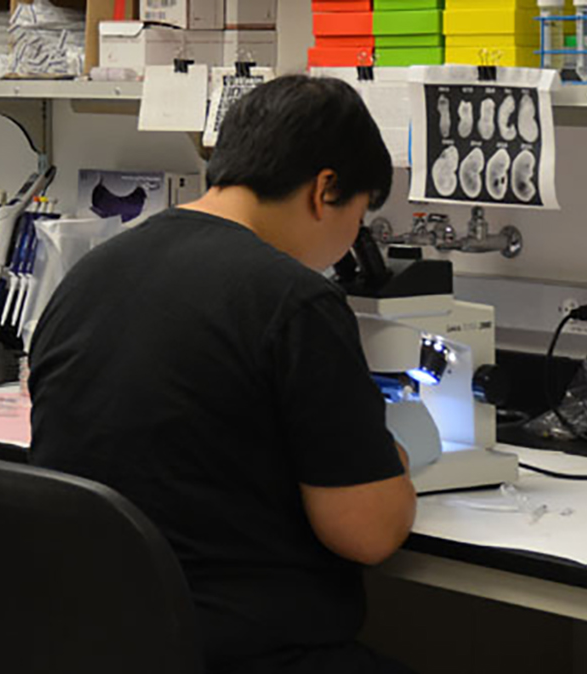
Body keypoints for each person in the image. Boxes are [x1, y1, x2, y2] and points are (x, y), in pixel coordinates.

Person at [27, 75, 417, 674]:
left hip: (88, 639)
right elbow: (368, 532)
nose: (350, 244)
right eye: (359, 216)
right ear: (325, 190)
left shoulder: (90, 274)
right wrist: (391, 460)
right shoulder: (295, 301)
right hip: (239, 650)